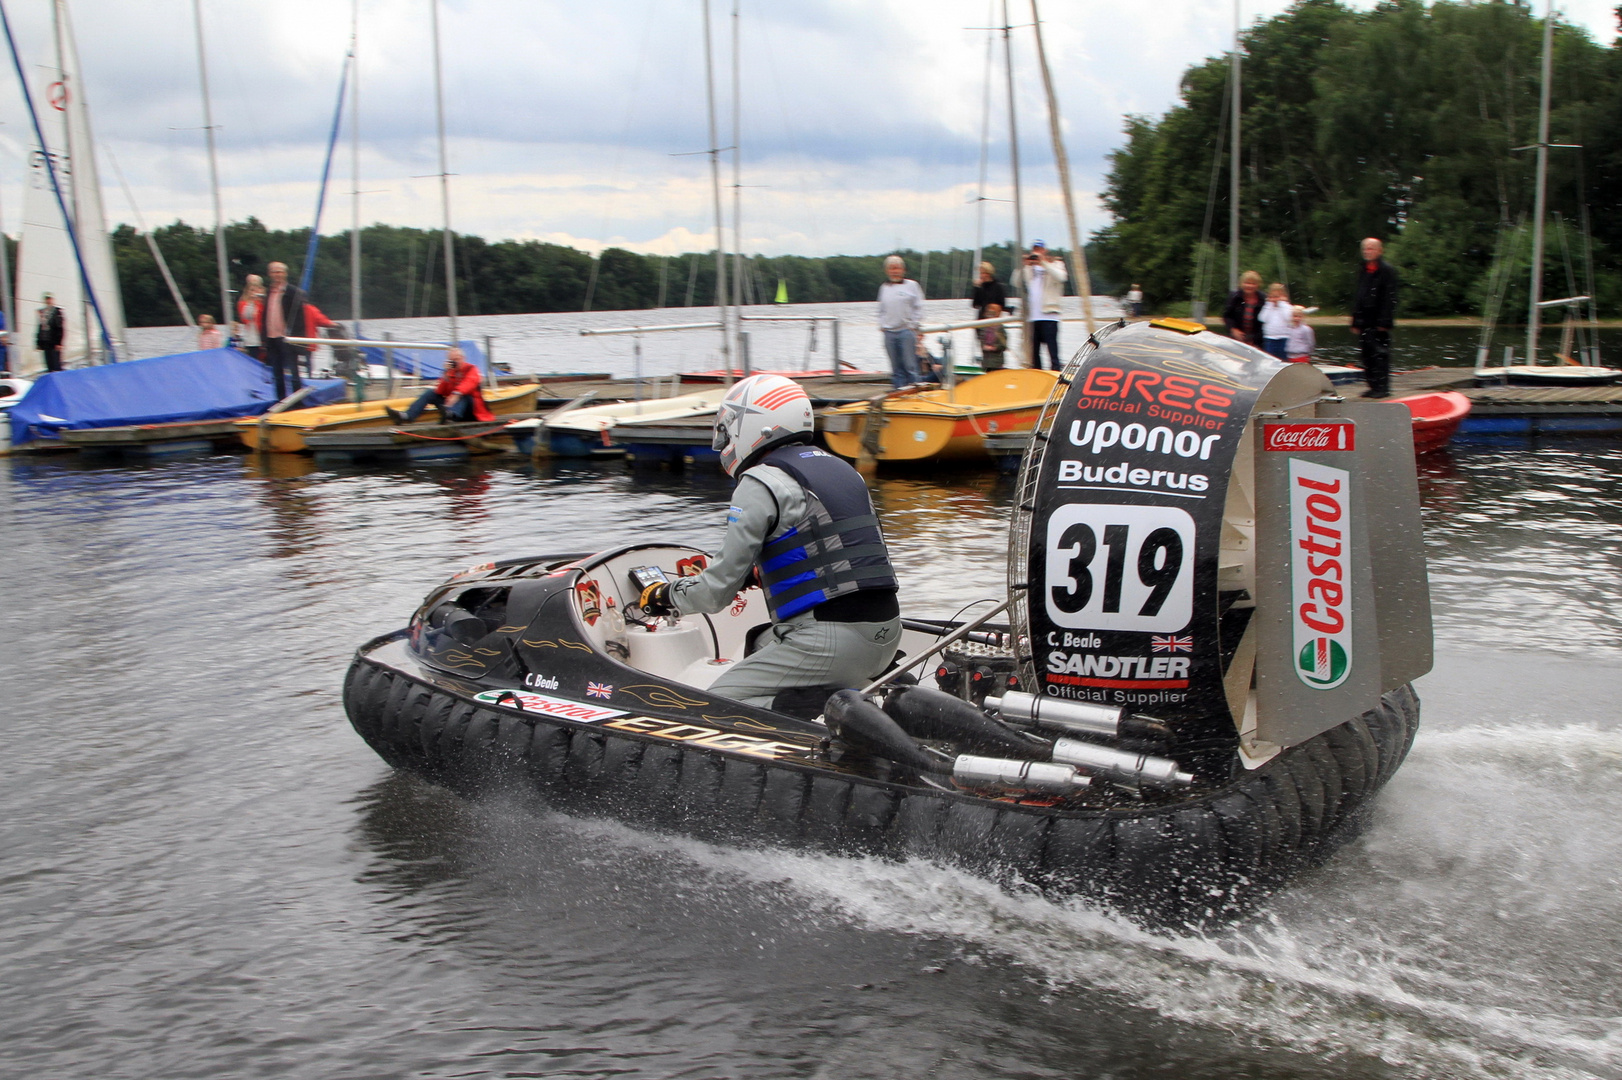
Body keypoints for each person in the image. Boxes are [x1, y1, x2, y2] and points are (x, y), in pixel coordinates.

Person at [635, 373, 901, 709]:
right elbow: (835, 553)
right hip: (886, 632)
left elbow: (715, 592)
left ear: (756, 425)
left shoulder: (760, 481)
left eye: (730, 427)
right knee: (759, 640)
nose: (726, 440)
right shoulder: (845, 470)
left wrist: (665, 595)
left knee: (717, 707)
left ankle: (817, 717)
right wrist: (764, 571)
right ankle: (834, 706)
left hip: (831, 639)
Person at [385, 347, 491, 424]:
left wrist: (456, 394)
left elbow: (469, 384)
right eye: (452, 360)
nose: (454, 362)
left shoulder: (471, 369)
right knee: (430, 393)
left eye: (456, 359)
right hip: (451, 407)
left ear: (463, 358)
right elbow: (440, 391)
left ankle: (450, 415)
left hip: (470, 410)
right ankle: (407, 416)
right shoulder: (449, 372)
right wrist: (446, 373)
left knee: (464, 395)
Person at [1351, 237, 1398, 398]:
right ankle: (1372, 386)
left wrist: (1385, 321)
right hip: (1364, 320)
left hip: (1378, 320)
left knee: (1380, 355)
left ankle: (1382, 388)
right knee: (1366, 355)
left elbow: (1389, 298)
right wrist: (1355, 320)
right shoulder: (1363, 269)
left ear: (1379, 250)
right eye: (1365, 249)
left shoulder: (1387, 270)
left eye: (1371, 249)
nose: (1367, 252)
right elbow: (1359, 296)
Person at [1011, 239, 1068, 370]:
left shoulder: (1055, 264)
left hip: (1049, 315)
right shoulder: (1029, 269)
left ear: (1045, 250)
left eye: (1040, 249)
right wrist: (1022, 266)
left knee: (1052, 351)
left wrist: (1044, 262)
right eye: (1035, 249)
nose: (1037, 252)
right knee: (1034, 353)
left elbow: (1061, 277)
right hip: (1032, 317)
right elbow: (1015, 282)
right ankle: (1037, 374)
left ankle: (1055, 373)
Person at [257, 262, 308, 399]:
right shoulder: (268, 292)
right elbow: (264, 315)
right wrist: (263, 338)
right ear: (269, 274)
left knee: (294, 372)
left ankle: (298, 401)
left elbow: (300, 319)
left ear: (285, 274)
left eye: (279, 272)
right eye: (274, 272)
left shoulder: (293, 292)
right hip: (272, 338)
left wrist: (299, 339)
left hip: (287, 338)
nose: (277, 275)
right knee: (277, 373)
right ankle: (280, 400)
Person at [877, 255, 924, 388]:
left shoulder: (912, 285)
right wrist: (882, 325)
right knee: (896, 368)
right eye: (892, 268)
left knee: (910, 366)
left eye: (897, 268)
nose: (895, 271)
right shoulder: (884, 287)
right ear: (887, 271)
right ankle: (898, 391)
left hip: (906, 331)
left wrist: (914, 326)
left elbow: (918, 307)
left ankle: (916, 391)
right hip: (889, 332)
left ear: (903, 270)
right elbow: (881, 309)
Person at [1222, 270, 1264, 346]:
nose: (1249, 286)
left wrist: (1255, 339)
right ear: (1241, 284)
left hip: (1257, 340)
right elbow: (1227, 316)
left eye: (1253, 283)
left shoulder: (1263, 299)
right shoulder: (1234, 297)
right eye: (1247, 283)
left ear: (1258, 285)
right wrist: (1233, 329)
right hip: (1236, 339)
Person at [1259, 282, 1293, 360]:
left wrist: (1281, 304)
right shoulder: (1268, 307)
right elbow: (1262, 318)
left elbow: (1288, 318)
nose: (1274, 299)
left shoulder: (1287, 307)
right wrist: (1268, 305)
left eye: (1277, 297)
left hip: (1284, 338)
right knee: (1270, 359)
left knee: (1283, 359)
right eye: (1272, 297)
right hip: (1269, 338)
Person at [235, 274, 264, 358]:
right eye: (252, 290)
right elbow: (246, 318)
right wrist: (252, 302)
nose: (255, 293)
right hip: (253, 339)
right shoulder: (244, 303)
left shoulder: (263, 303)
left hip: (264, 337)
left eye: (257, 290)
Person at [36, 294, 64, 372]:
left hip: (54, 341)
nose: (48, 301)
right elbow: (40, 327)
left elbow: (59, 328)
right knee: (49, 363)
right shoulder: (43, 312)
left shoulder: (56, 312)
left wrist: (59, 342)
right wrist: (39, 342)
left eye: (50, 299)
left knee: (56, 363)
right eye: (47, 299)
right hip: (46, 341)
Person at [978, 302, 1008, 370]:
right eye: (989, 314)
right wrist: (984, 346)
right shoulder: (984, 328)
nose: (990, 316)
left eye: (992, 314)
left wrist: (994, 348)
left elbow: (1003, 345)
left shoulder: (1000, 328)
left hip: (997, 362)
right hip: (986, 361)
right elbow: (981, 340)